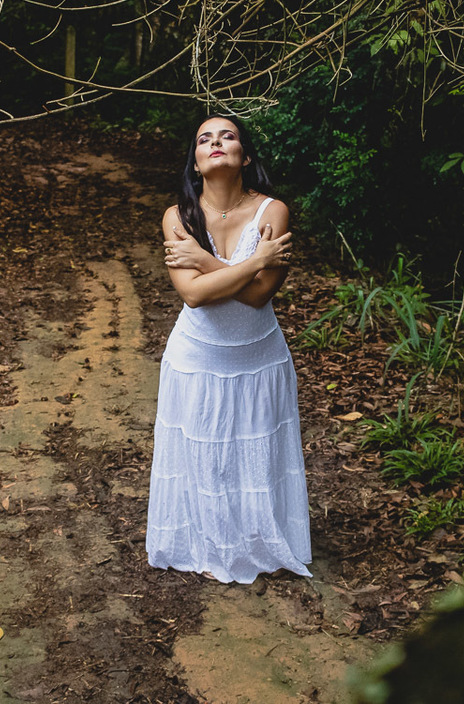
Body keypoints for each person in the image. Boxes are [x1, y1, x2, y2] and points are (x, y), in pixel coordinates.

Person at [145, 114, 312, 584]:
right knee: (205, 458)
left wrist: (203, 260)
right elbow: (193, 295)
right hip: (196, 357)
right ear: (196, 162)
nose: (216, 142)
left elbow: (260, 296)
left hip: (259, 358)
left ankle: (257, 541)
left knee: (257, 456)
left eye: (228, 136)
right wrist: (254, 261)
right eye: (205, 139)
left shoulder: (272, 212)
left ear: (246, 156)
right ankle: (208, 543)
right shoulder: (177, 217)